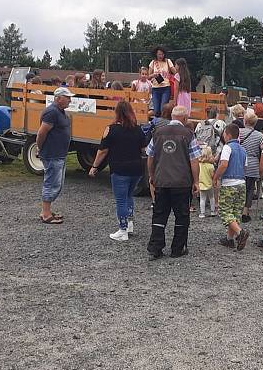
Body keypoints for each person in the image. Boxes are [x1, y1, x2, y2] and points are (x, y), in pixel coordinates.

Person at [146, 105, 200, 260]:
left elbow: (150, 156)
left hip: (161, 180)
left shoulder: (157, 133)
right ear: (184, 118)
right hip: (181, 182)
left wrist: (152, 175)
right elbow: (194, 160)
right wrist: (196, 181)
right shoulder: (188, 134)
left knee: (159, 215)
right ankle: (177, 248)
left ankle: (155, 248)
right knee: (182, 216)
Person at [89, 101, 146, 242]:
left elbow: (102, 151)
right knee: (129, 196)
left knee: (120, 200)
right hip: (137, 169)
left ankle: (122, 230)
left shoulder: (111, 129)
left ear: (117, 113)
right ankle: (130, 224)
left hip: (120, 169)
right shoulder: (138, 129)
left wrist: (95, 166)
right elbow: (144, 150)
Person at [36, 87, 74, 224]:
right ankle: (46, 214)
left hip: (59, 154)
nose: (70, 100)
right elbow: (41, 133)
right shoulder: (51, 112)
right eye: (67, 97)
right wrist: (39, 148)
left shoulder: (61, 112)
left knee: (57, 184)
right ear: (58, 98)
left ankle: (45, 211)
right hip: (52, 154)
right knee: (51, 183)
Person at [213, 123, 250, 251]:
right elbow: (245, 167)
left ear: (227, 135)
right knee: (236, 212)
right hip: (241, 183)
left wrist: (216, 177)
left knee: (225, 211)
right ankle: (229, 239)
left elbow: (223, 164)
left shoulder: (227, 148)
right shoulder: (243, 149)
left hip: (229, 184)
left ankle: (240, 233)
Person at [240, 109, 263, 223]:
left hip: (240, 163)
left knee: (240, 187)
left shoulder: (239, 132)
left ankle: (237, 208)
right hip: (253, 164)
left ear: (245, 121)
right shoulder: (259, 135)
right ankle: (246, 210)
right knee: (250, 189)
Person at [149, 46, 177, 117]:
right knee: (156, 110)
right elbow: (148, 77)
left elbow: (175, 72)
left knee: (163, 109)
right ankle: (157, 125)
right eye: (159, 54)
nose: (161, 56)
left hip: (165, 87)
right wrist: (153, 75)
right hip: (155, 88)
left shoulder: (168, 61)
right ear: (156, 54)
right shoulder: (153, 63)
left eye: (162, 54)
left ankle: (163, 124)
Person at [197, 146, 217, 218]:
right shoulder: (210, 166)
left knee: (202, 199)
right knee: (211, 197)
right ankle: (212, 211)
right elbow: (212, 176)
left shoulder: (199, 165)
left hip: (201, 184)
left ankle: (202, 213)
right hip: (209, 184)